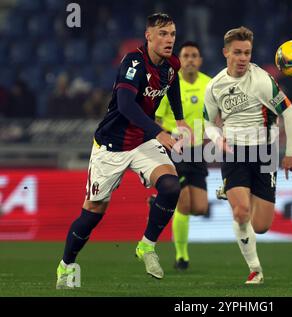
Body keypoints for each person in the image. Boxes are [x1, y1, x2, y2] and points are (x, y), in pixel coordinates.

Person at [56, 13, 192, 289]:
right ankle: (66, 264)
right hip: (112, 145)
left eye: (173, 34)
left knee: (170, 186)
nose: (169, 40)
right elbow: (127, 106)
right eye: (163, 34)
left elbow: (172, 83)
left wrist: (179, 118)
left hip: (141, 141)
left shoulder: (170, 64)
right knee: (92, 213)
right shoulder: (133, 62)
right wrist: (159, 132)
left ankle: (146, 246)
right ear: (149, 36)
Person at [203, 26, 292, 284]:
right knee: (241, 212)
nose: (243, 58)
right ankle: (255, 269)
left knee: (261, 226)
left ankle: (232, 192)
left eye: (247, 52)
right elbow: (208, 124)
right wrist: (218, 139)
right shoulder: (214, 86)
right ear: (225, 53)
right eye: (237, 52)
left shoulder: (263, 81)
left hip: (265, 152)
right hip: (234, 152)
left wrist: (290, 154)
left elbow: (291, 114)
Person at [155, 41, 211, 271]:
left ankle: (157, 202)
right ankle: (182, 256)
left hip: (198, 151)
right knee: (184, 204)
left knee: (200, 207)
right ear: (179, 59)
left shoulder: (210, 85)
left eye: (194, 55)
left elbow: (215, 117)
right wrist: (161, 141)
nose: (189, 59)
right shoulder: (169, 83)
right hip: (174, 149)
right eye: (185, 55)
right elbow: (157, 119)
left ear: (200, 60)